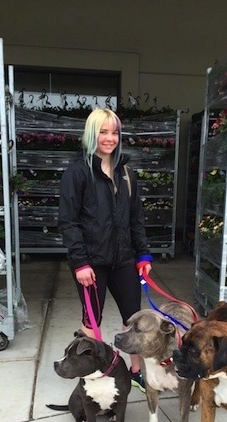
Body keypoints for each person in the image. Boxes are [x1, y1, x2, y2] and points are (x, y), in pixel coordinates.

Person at [58, 108, 152, 392]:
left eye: (114, 132)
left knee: (134, 318)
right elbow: (68, 222)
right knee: (90, 322)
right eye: (103, 131)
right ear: (91, 134)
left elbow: (136, 218)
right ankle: (87, 379)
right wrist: (79, 263)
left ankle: (136, 371)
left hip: (124, 259)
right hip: (91, 263)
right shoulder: (76, 173)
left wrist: (143, 254)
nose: (109, 138)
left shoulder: (126, 173)